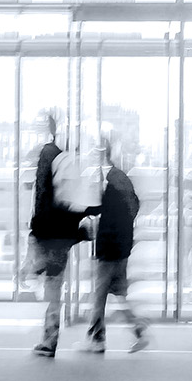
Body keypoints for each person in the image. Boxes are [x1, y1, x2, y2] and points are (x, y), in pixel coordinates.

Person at [82, 135, 151, 353]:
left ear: (103, 153)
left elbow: (103, 212)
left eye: (95, 152)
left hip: (110, 248)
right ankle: (138, 328)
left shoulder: (109, 181)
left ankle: (96, 338)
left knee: (99, 294)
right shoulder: (121, 177)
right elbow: (135, 205)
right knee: (119, 293)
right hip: (122, 247)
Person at [28, 111, 88, 357]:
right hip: (63, 234)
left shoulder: (49, 155)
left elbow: (43, 194)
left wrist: (35, 229)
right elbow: (76, 202)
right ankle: (50, 337)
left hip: (49, 232)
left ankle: (49, 340)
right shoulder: (70, 159)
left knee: (48, 281)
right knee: (54, 284)